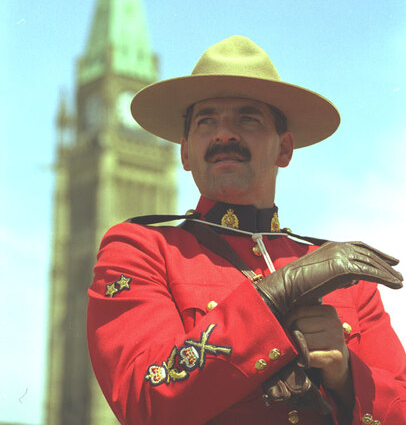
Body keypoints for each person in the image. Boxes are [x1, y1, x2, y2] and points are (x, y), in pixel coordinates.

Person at [87, 35, 406, 425]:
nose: (225, 134)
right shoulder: (139, 250)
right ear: (185, 152)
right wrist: (276, 294)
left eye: (247, 118)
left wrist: (344, 378)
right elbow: (145, 399)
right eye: (207, 120)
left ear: (284, 149)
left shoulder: (351, 280)